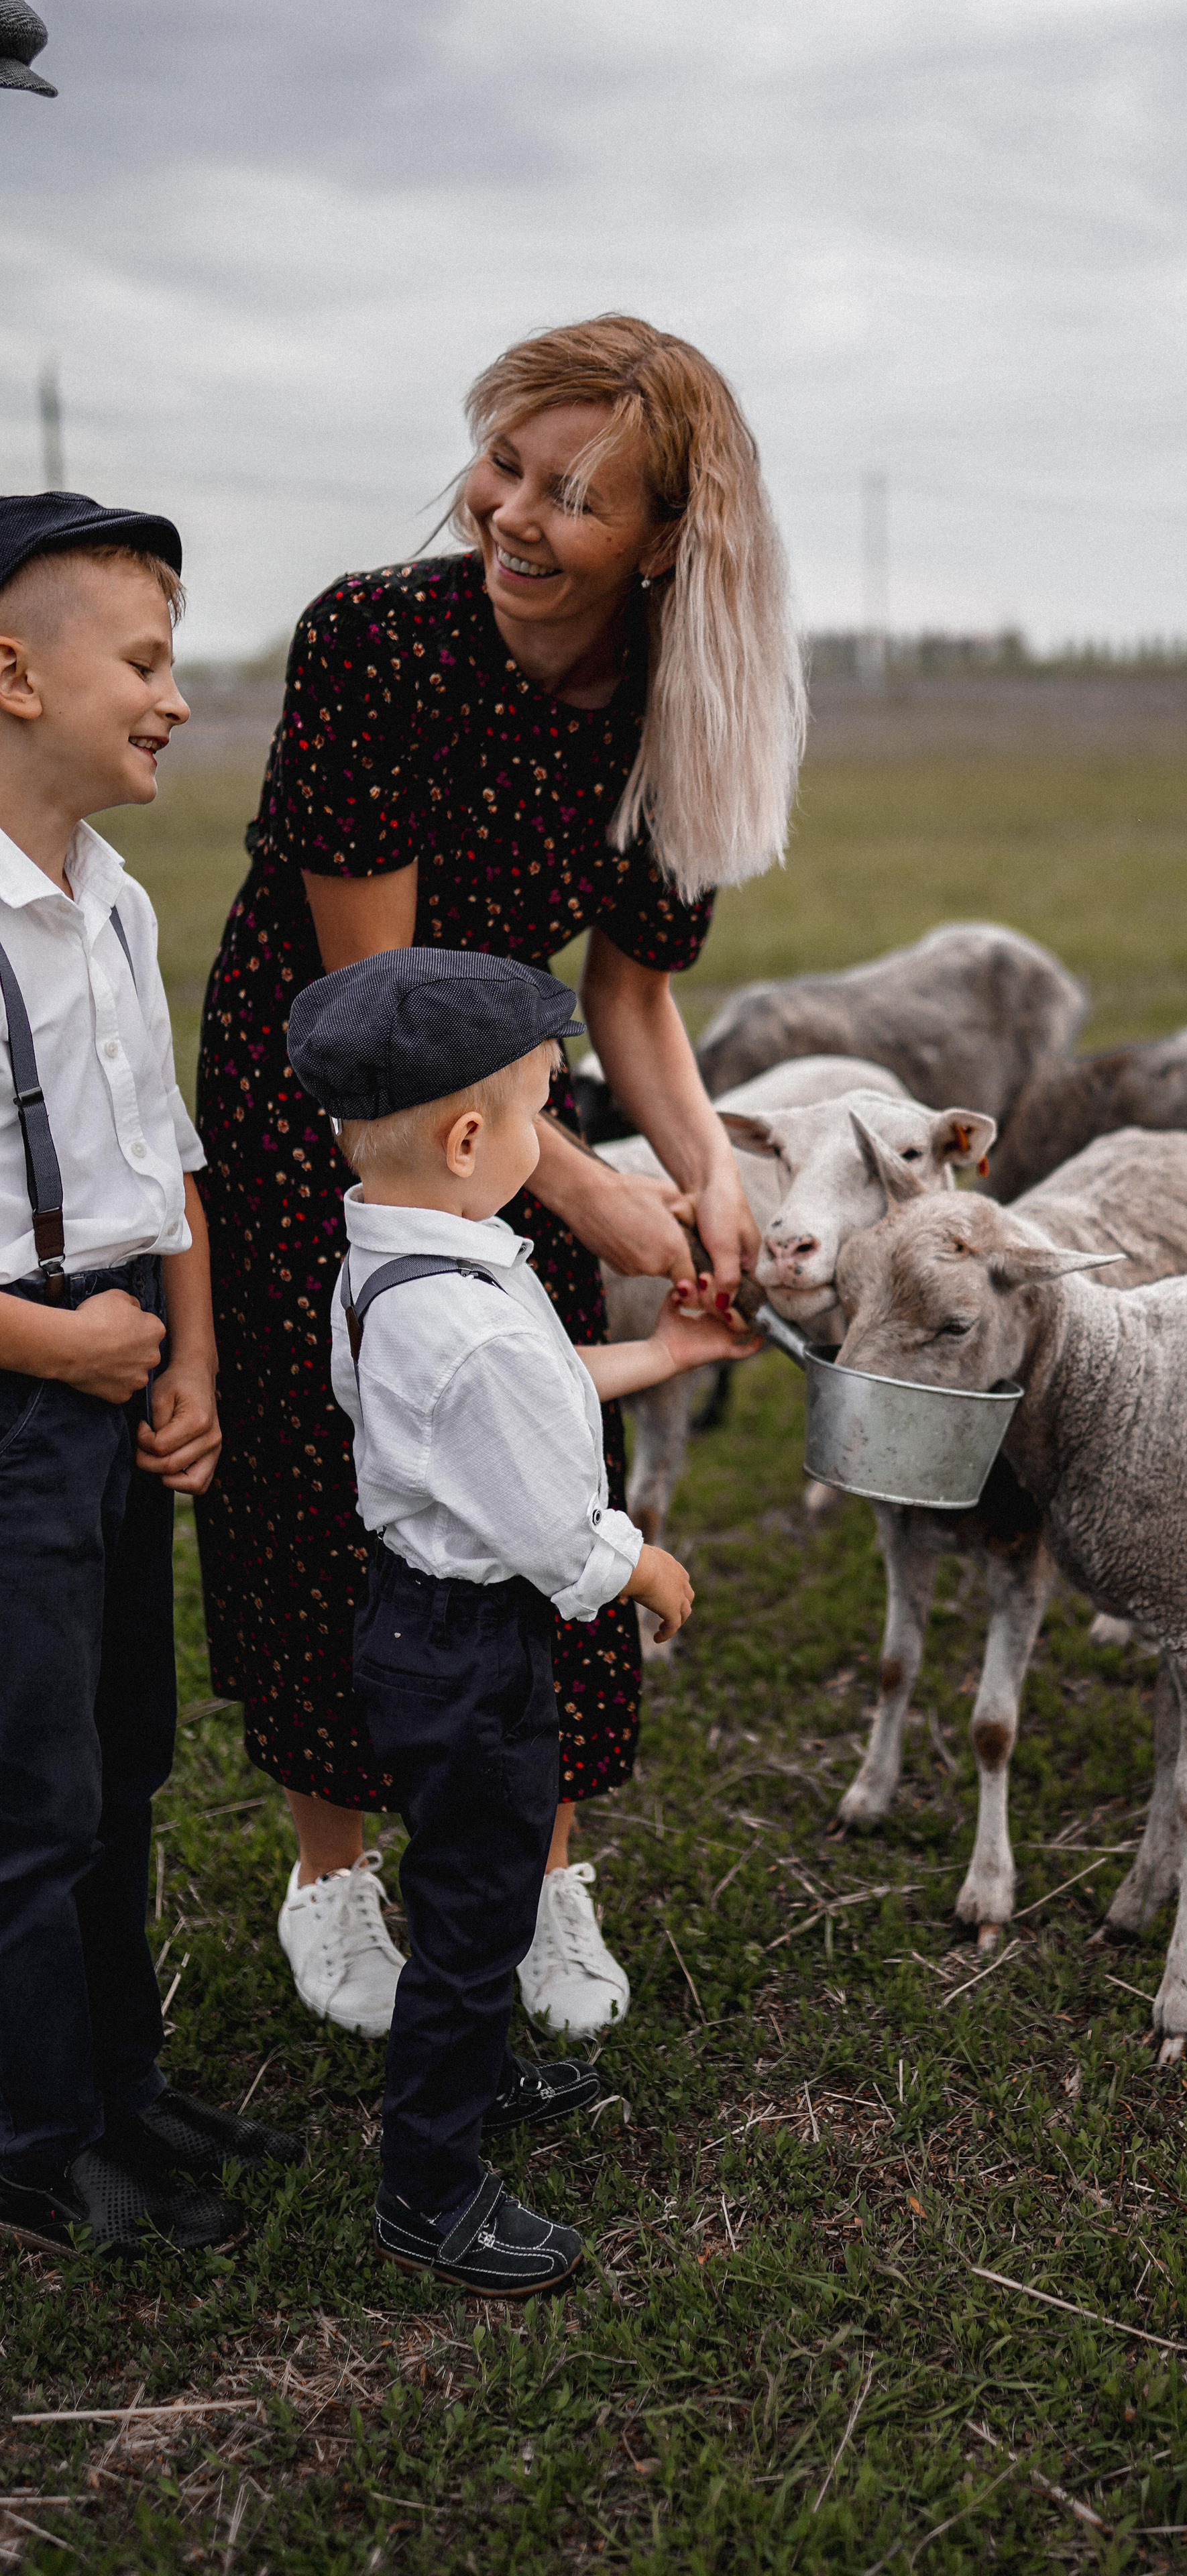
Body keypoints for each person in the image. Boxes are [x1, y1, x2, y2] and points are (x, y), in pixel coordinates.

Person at [194, 315, 804, 2045]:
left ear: (670, 542)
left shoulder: (673, 712)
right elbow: (371, 1006)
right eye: (505, 469)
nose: (514, 517)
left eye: (573, 498)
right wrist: (592, 1192)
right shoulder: (373, 641)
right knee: (336, 1470)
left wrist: (705, 1173)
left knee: (540, 1451)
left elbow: (632, 993)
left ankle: (542, 1878)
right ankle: (331, 1874)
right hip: (320, 1095)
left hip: (516, 1110)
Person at [286, 947, 750, 2292]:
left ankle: (477, 2069)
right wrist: (643, 1567)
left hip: (418, 1627)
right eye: (548, 1110)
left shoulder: (393, 1264)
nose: (554, 1132)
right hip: (470, 1644)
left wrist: (662, 1354)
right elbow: (551, 1526)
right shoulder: (469, 1322)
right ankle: (430, 2186)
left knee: (461, 1875)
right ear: (473, 1136)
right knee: (483, 1902)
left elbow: (526, 1395)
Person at [0, 493, 300, 2259]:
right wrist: (68, 1346)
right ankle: (37, 2145)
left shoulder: (112, 899)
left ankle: (122, 2083)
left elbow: (164, 1158)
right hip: (25, 1387)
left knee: (122, 1765)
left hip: (121, 1364)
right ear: (15, 675)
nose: (175, 695)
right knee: (25, 1797)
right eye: (148, 659)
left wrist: (189, 1355)